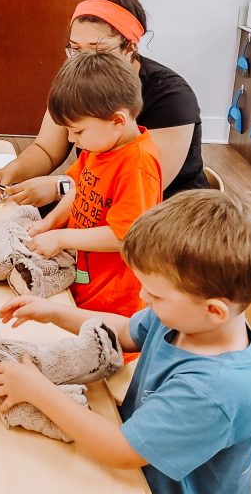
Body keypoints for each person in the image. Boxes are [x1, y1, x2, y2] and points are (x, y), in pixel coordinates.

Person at [0, 190, 251, 494]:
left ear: (214, 309)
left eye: (155, 294)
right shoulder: (186, 317)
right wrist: (57, 312)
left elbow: (122, 451)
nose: (143, 297)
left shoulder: (214, 390)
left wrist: (37, 389)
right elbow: (126, 331)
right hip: (139, 480)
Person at [0, 0, 207, 207]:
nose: (84, 60)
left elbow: (143, 188)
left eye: (98, 49)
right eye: (75, 48)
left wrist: (59, 187)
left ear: (129, 47)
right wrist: (12, 171)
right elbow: (46, 149)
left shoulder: (171, 96)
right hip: (91, 198)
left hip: (167, 213)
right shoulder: (77, 80)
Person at [25, 51, 162, 316]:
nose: (73, 140)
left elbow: (124, 236)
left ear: (117, 121)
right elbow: (78, 189)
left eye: (78, 131)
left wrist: (61, 237)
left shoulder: (137, 164)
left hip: (113, 304)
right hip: (82, 284)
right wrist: (49, 223)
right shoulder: (100, 147)